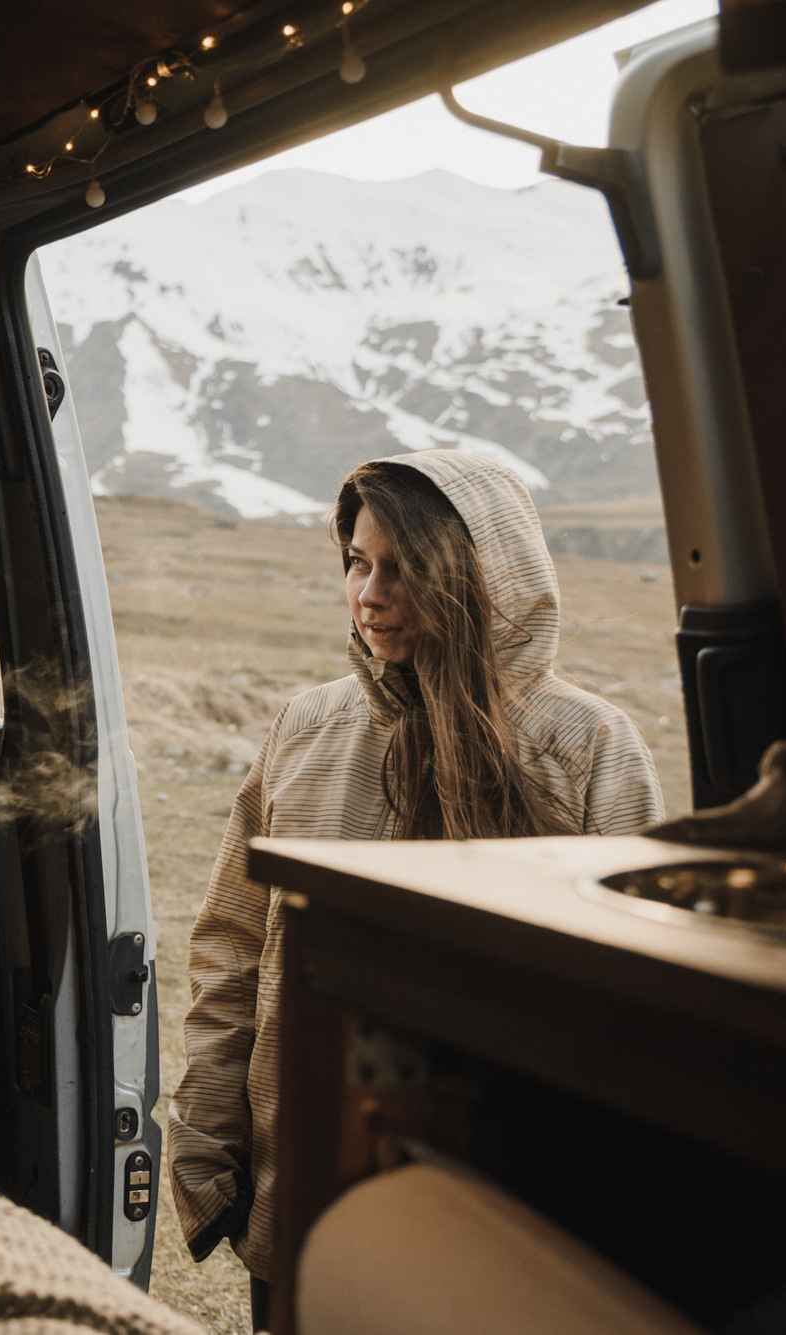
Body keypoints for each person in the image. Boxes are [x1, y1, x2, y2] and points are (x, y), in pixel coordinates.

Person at [166, 451, 663, 1316]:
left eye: (405, 567)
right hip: (304, 1184)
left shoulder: (589, 748)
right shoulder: (308, 727)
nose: (369, 592)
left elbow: (636, 1003)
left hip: (513, 1205)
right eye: (358, 561)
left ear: (484, 578)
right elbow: (234, 947)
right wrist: (207, 1145)